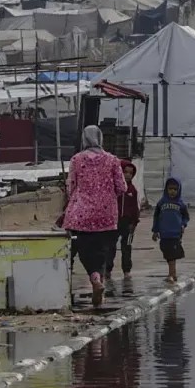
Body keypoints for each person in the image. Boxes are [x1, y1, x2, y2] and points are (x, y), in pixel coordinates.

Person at [63, 125, 127, 309]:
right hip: (106, 216)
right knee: (101, 252)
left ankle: (90, 283)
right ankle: (98, 282)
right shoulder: (113, 160)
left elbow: (71, 187)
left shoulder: (77, 159)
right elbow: (122, 187)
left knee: (81, 251)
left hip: (80, 215)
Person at [105, 159, 141, 286]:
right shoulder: (115, 188)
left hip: (129, 224)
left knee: (127, 247)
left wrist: (134, 222)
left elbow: (135, 208)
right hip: (115, 222)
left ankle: (126, 270)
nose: (128, 175)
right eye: (125, 172)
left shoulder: (133, 190)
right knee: (110, 247)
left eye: (130, 173)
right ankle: (108, 269)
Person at [151, 177, 191, 283]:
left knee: (172, 254)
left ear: (179, 190)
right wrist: (155, 231)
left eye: (175, 189)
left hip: (175, 233)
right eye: (170, 189)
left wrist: (183, 225)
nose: (172, 191)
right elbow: (156, 217)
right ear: (166, 189)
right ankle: (173, 274)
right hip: (164, 233)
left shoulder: (181, 204)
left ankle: (171, 275)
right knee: (166, 253)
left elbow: (186, 217)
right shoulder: (161, 203)